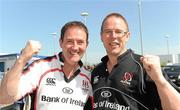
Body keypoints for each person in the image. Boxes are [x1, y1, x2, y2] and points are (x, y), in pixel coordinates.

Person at [91, 13, 180, 110]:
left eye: (118, 31)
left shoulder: (144, 67)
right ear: (101, 36)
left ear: (127, 36)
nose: (113, 36)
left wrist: (160, 80)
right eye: (108, 31)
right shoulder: (96, 71)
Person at [0, 21, 93, 110]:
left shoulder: (89, 77)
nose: (75, 47)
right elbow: (5, 98)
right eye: (69, 41)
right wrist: (22, 59)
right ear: (61, 42)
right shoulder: (41, 67)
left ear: (87, 45)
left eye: (80, 42)